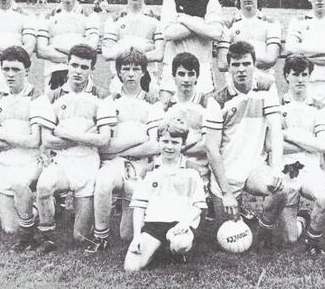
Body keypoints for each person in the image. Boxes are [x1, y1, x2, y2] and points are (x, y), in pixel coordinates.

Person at [31, 44, 113, 253]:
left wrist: (67, 134)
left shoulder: (103, 96)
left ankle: (79, 216)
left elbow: (103, 139)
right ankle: (47, 234)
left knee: (80, 237)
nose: (78, 71)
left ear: (91, 69)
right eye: (74, 65)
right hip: (63, 162)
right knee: (43, 186)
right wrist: (86, 138)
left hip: (88, 165)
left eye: (84, 67)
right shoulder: (51, 96)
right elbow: (47, 141)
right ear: (67, 65)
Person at [204, 41, 287, 246]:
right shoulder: (217, 100)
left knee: (281, 191)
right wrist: (226, 193)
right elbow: (211, 148)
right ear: (228, 67)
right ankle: (234, 207)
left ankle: (264, 229)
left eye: (246, 64)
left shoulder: (267, 86)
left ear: (254, 64)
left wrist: (276, 169)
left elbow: (276, 130)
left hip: (253, 167)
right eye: (236, 64)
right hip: (227, 172)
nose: (241, 69)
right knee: (226, 237)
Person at [86, 48, 163, 253]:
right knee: (103, 182)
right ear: (118, 72)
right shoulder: (109, 102)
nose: (130, 73)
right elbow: (104, 147)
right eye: (126, 69)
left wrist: (123, 149)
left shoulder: (153, 102)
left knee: (127, 235)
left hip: (140, 166)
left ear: (144, 72)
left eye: (136, 69)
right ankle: (100, 236)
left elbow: (155, 146)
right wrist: (135, 142)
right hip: (115, 163)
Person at [124, 118, 206, 271]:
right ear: (158, 141)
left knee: (180, 244)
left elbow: (198, 206)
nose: (169, 146)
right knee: (131, 267)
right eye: (165, 141)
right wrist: (136, 238)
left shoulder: (192, 169)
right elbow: (139, 207)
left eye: (175, 142)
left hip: (180, 225)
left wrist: (185, 224)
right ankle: (158, 248)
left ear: (183, 144)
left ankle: (174, 250)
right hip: (154, 225)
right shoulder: (149, 170)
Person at [271, 54, 325, 256]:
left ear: (309, 76)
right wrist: (307, 142)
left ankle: (313, 240)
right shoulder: (276, 105)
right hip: (286, 169)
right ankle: (302, 218)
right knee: (289, 238)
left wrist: (289, 134)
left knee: (324, 198)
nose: (300, 79)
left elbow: (323, 145)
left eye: (304, 74)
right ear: (286, 76)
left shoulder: (320, 106)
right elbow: (271, 145)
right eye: (295, 74)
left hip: (311, 168)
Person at [0, 46, 42, 244]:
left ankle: (40, 205)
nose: (10, 74)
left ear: (26, 70)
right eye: (6, 69)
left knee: (22, 207)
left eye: (15, 69)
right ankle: (34, 208)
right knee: (10, 229)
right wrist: (16, 140)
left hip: (28, 164)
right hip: (5, 166)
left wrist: (1, 133)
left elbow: (34, 141)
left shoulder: (37, 97)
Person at [161, 52, 222, 214]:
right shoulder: (166, 106)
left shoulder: (207, 104)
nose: (186, 79)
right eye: (181, 74)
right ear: (173, 76)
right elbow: (158, 142)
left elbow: (207, 144)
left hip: (198, 176)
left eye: (191, 74)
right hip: (169, 173)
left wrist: (175, 148)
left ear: (197, 77)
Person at [159, 0, 224, 102]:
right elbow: (168, 33)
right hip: (172, 68)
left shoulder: (211, 2)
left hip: (202, 68)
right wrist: (202, 24)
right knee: (165, 110)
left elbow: (215, 33)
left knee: (205, 114)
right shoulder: (171, 0)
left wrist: (183, 19)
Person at [35, 0, 100, 91]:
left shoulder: (90, 16)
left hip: (81, 79)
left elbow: (91, 50)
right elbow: (41, 51)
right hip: (53, 78)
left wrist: (56, 48)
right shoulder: (47, 16)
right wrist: (77, 60)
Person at [101, 0, 164, 95]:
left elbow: (159, 54)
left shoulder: (157, 19)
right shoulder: (114, 19)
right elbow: (107, 53)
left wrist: (124, 50)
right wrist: (143, 50)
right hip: (120, 79)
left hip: (148, 79)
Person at [217, 0, 281, 84]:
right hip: (235, 84)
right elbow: (222, 63)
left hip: (265, 82)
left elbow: (271, 59)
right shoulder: (228, 25)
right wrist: (255, 60)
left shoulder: (271, 23)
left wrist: (238, 61)